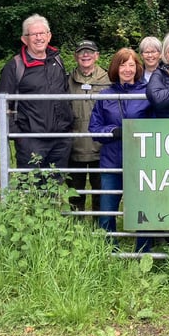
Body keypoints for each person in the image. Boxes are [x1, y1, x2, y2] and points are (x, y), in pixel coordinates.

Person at [88, 48, 153, 251]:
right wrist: (112, 131)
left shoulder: (148, 93)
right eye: (123, 64)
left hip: (141, 161)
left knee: (144, 208)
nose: (127, 69)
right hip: (112, 160)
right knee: (107, 208)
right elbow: (94, 129)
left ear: (137, 68)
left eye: (131, 64)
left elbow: (157, 125)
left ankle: (143, 251)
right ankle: (109, 251)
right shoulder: (105, 95)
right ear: (116, 67)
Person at [0, 14, 73, 169]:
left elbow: (65, 92)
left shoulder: (57, 61)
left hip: (60, 139)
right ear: (25, 39)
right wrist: (19, 137)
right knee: (30, 187)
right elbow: (1, 104)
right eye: (34, 34)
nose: (39, 38)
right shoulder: (15, 66)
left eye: (42, 33)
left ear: (49, 36)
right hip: (31, 140)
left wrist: (68, 127)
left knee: (56, 187)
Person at [67, 39, 111, 216]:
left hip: (100, 146)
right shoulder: (66, 80)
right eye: (82, 52)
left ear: (97, 56)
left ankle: (98, 226)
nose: (86, 55)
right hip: (75, 144)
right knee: (75, 191)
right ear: (76, 56)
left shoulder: (108, 79)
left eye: (90, 52)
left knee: (99, 190)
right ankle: (76, 227)